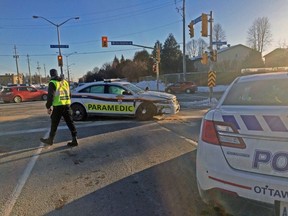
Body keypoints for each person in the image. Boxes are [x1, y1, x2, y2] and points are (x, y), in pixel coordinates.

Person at [40, 69, 78, 147]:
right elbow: (69, 95)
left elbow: (51, 97)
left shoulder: (52, 83)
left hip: (58, 107)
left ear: (51, 75)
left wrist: (48, 107)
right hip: (67, 105)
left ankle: (50, 140)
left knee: (54, 124)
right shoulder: (65, 82)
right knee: (70, 123)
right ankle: (75, 139)